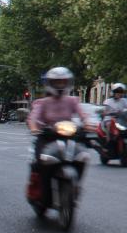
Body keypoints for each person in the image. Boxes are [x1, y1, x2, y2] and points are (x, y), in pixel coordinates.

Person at [26, 67, 90, 201]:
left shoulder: (72, 101)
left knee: (82, 156)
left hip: (69, 136)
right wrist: (34, 128)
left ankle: (76, 185)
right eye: (57, 82)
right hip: (47, 137)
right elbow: (33, 118)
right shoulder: (42, 102)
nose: (60, 85)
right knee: (41, 161)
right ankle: (42, 190)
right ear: (50, 83)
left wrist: (87, 124)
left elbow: (83, 115)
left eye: (63, 82)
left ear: (68, 83)